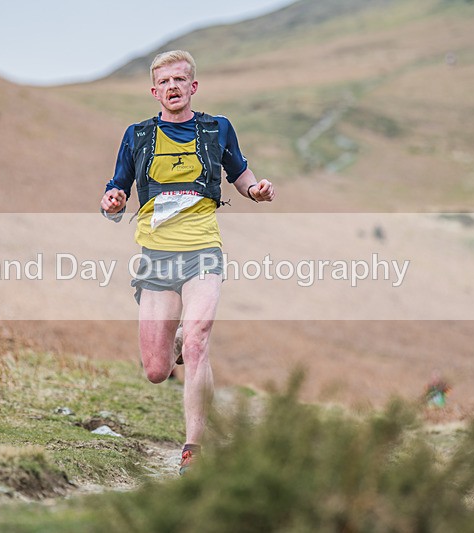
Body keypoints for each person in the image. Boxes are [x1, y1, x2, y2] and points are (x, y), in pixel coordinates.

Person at [99, 50, 275, 475]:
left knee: (198, 342)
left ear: (193, 87)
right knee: (157, 371)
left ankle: (193, 449)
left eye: (181, 80)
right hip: (156, 257)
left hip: (202, 251)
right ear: (155, 90)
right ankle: (173, 342)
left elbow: (240, 173)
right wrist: (112, 202)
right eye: (165, 82)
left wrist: (256, 191)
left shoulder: (217, 129)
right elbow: (116, 192)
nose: (173, 87)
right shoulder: (137, 135)